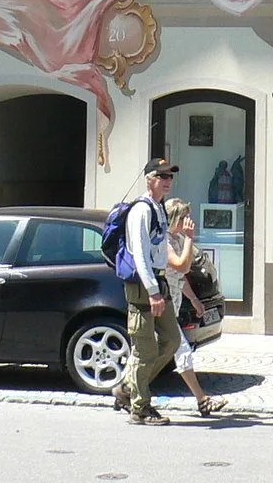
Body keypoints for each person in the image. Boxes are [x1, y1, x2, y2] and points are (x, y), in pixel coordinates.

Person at [115, 159, 184, 426]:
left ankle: (128, 388)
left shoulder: (159, 208)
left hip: (158, 281)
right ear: (149, 179)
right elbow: (140, 256)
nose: (167, 181)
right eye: (162, 176)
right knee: (145, 350)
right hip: (143, 286)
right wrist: (153, 292)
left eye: (170, 176)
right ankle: (140, 408)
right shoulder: (141, 211)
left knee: (172, 340)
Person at [162, 198, 227, 416]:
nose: (189, 220)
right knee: (181, 351)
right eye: (184, 217)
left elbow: (181, 276)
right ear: (174, 218)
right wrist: (190, 238)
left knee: (152, 354)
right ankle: (202, 400)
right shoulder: (164, 240)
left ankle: (126, 389)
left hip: (172, 305)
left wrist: (194, 300)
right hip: (161, 306)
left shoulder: (179, 238)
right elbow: (181, 266)